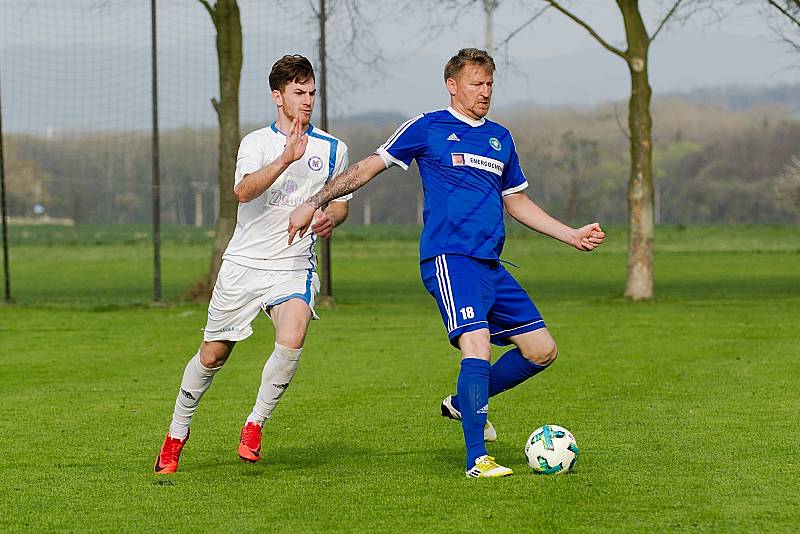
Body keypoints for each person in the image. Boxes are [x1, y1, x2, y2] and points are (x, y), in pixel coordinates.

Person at [287, 48, 605, 478]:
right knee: (477, 345)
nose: (485, 91)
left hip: (492, 264)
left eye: (490, 83)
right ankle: (478, 459)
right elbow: (367, 167)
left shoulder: (501, 138)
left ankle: (463, 401)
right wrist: (314, 200)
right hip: (450, 259)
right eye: (476, 83)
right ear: (452, 85)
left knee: (542, 350)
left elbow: (518, 201)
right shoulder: (429, 126)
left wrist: (571, 235)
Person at [154, 54, 351, 474]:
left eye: (312, 92)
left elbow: (341, 206)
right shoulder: (256, 143)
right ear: (277, 96)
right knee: (212, 356)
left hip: (293, 263)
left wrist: (327, 217)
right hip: (243, 264)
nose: (307, 100)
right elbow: (243, 192)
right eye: (299, 92)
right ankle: (175, 435)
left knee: (294, 334)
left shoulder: (334, 149)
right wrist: (286, 159)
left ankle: (254, 424)